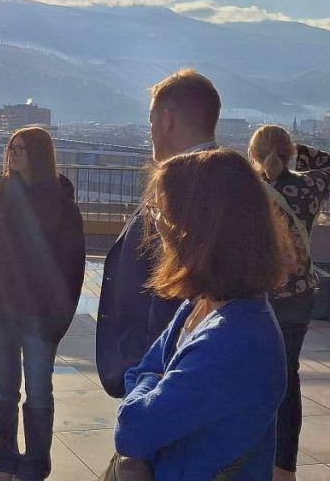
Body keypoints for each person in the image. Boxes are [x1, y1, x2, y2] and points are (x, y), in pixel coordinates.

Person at [115, 148, 290, 480]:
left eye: (160, 212)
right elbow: (140, 372)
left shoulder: (233, 340)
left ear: (193, 228)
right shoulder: (202, 305)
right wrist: (152, 382)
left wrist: (152, 381)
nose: (157, 227)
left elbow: (132, 429)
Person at [0, 128, 86, 481]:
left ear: (39, 153)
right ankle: (5, 457)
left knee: (38, 390)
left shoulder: (61, 203)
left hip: (40, 314)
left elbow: (72, 264)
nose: (14, 154)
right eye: (11, 148)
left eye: (21, 149)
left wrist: (60, 317)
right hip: (1, 310)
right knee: (4, 388)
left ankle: (35, 464)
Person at [96, 68, 222, 398]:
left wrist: (145, 375)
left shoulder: (180, 183)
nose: (150, 131)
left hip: (161, 369)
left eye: (151, 121)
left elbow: (171, 285)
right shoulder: (228, 179)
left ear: (167, 120)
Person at [247, 124, 330, 481]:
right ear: (291, 152)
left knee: (249, 375)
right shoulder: (310, 186)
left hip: (256, 296)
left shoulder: (248, 191)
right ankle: (285, 468)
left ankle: (248, 455)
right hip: (298, 295)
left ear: (253, 154)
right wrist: (299, 150)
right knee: (288, 378)